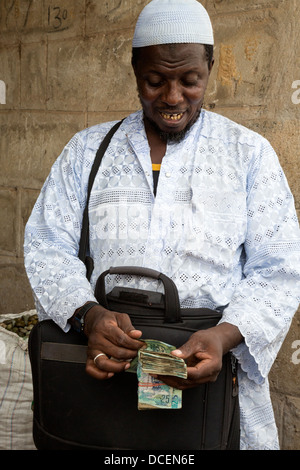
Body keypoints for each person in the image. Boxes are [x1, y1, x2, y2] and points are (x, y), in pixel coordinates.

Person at [24, 0, 300, 450]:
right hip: (105, 365)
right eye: (155, 81)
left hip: (205, 370)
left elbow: (280, 269)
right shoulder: (86, 151)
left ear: (209, 68)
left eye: (190, 80)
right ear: (136, 71)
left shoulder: (248, 154)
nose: (172, 97)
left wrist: (223, 337)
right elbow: (45, 244)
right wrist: (89, 316)